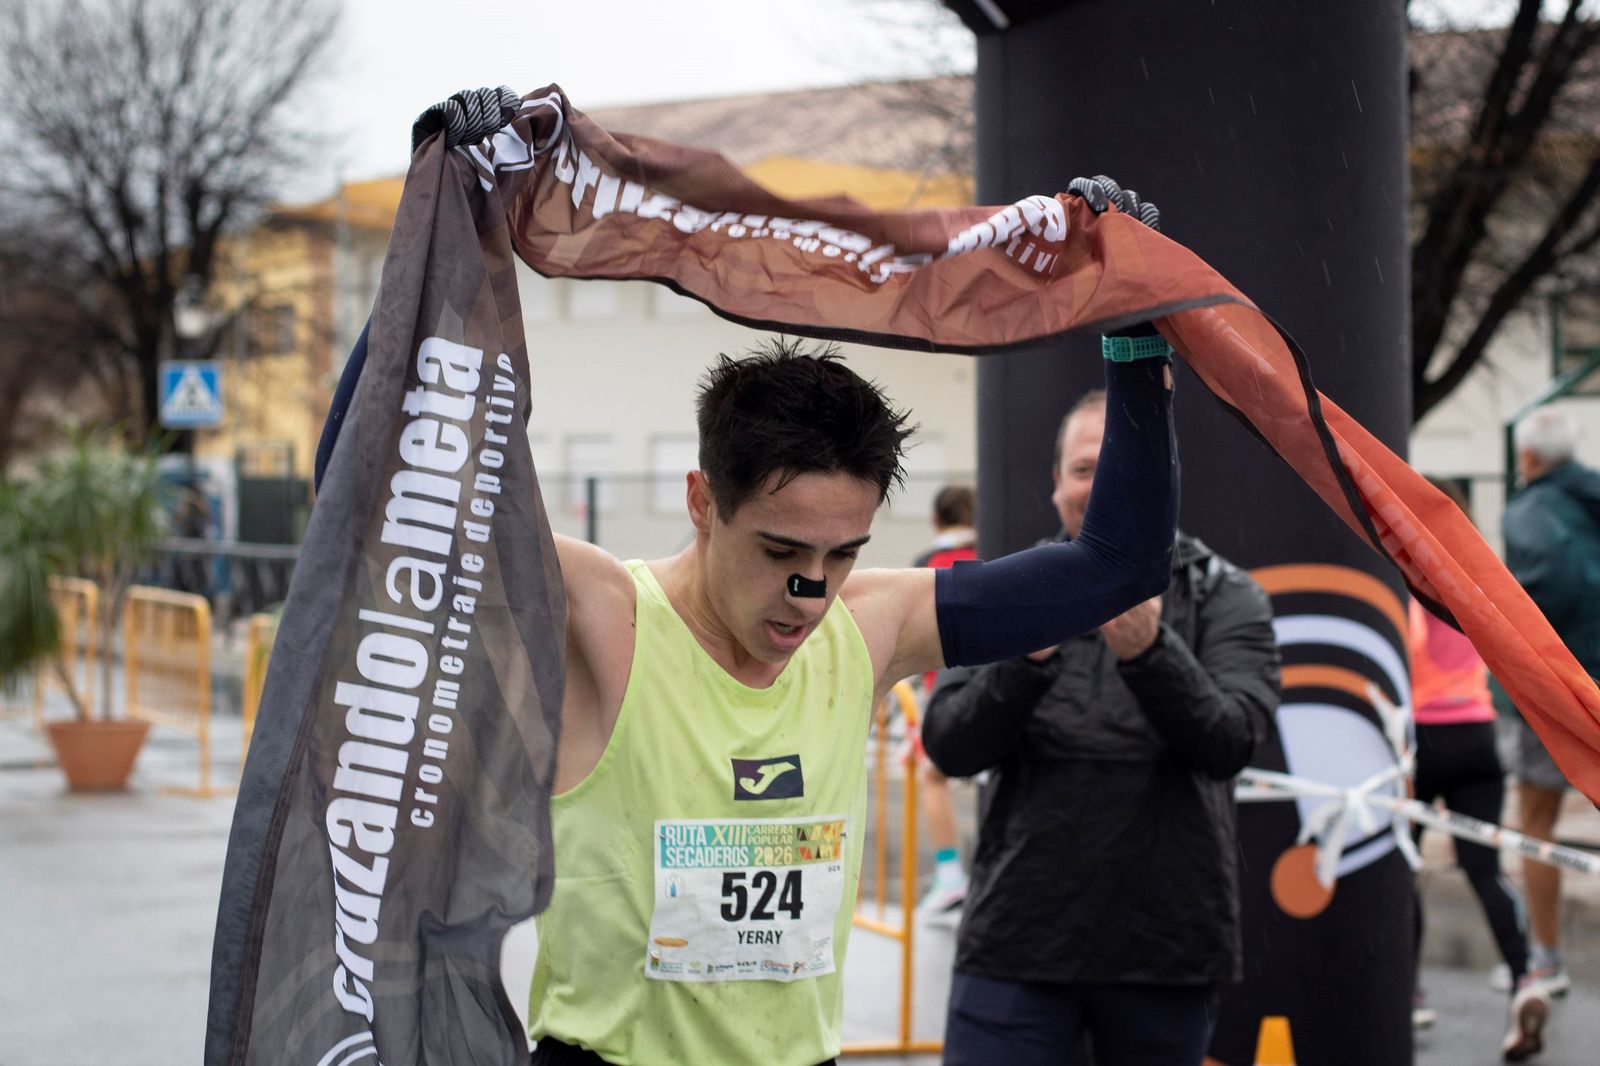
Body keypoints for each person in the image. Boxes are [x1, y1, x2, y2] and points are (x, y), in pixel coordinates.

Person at [524, 170, 1180, 1066]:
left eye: (844, 554)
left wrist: (1134, 330)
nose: (812, 592)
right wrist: (446, 227)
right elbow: (375, 497)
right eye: (781, 553)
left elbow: (1117, 566)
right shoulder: (602, 616)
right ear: (702, 502)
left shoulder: (869, 627)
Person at [921, 388, 1281, 1066]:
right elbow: (950, 743)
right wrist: (1027, 656)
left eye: (1119, 468)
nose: (1103, 487)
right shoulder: (1009, 589)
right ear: (1056, 484)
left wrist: (1150, 652)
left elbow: (1231, 742)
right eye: (1085, 469)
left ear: (1159, 480)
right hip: (1015, 942)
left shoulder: (1226, 594)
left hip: (1166, 952)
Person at [1409, 477, 1548, 1061]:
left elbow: (1405, 643)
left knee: (1400, 867)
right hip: (1476, 731)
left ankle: (1406, 990)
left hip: (1419, 736)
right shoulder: (1477, 574)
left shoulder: (1402, 575)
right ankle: (1524, 977)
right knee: (1485, 869)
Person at [1497, 407, 1600, 1001]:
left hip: (1558, 690)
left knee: (1537, 826)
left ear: (1530, 458)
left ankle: (1546, 959)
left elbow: (1547, 590)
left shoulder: (1531, 511)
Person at [912, 484, 978, 918]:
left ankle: (951, 875)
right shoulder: (998, 552)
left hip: (947, 691)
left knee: (931, 776)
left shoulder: (926, 565)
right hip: (1002, 681)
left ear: (937, 520)